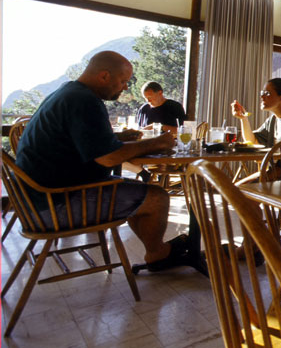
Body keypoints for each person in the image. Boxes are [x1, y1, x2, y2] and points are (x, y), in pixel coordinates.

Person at [14, 51, 181, 269]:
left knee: (135, 191)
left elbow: (82, 141)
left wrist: (116, 138)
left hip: (34, 203)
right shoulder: (85, 101)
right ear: (104, 76)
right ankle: (157, 254)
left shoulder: (68, 92)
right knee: (156, 197)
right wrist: (157, 143)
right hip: (54, 206)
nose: (124, 88)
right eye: (123, 82)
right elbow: (108, 158)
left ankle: (155, 252)